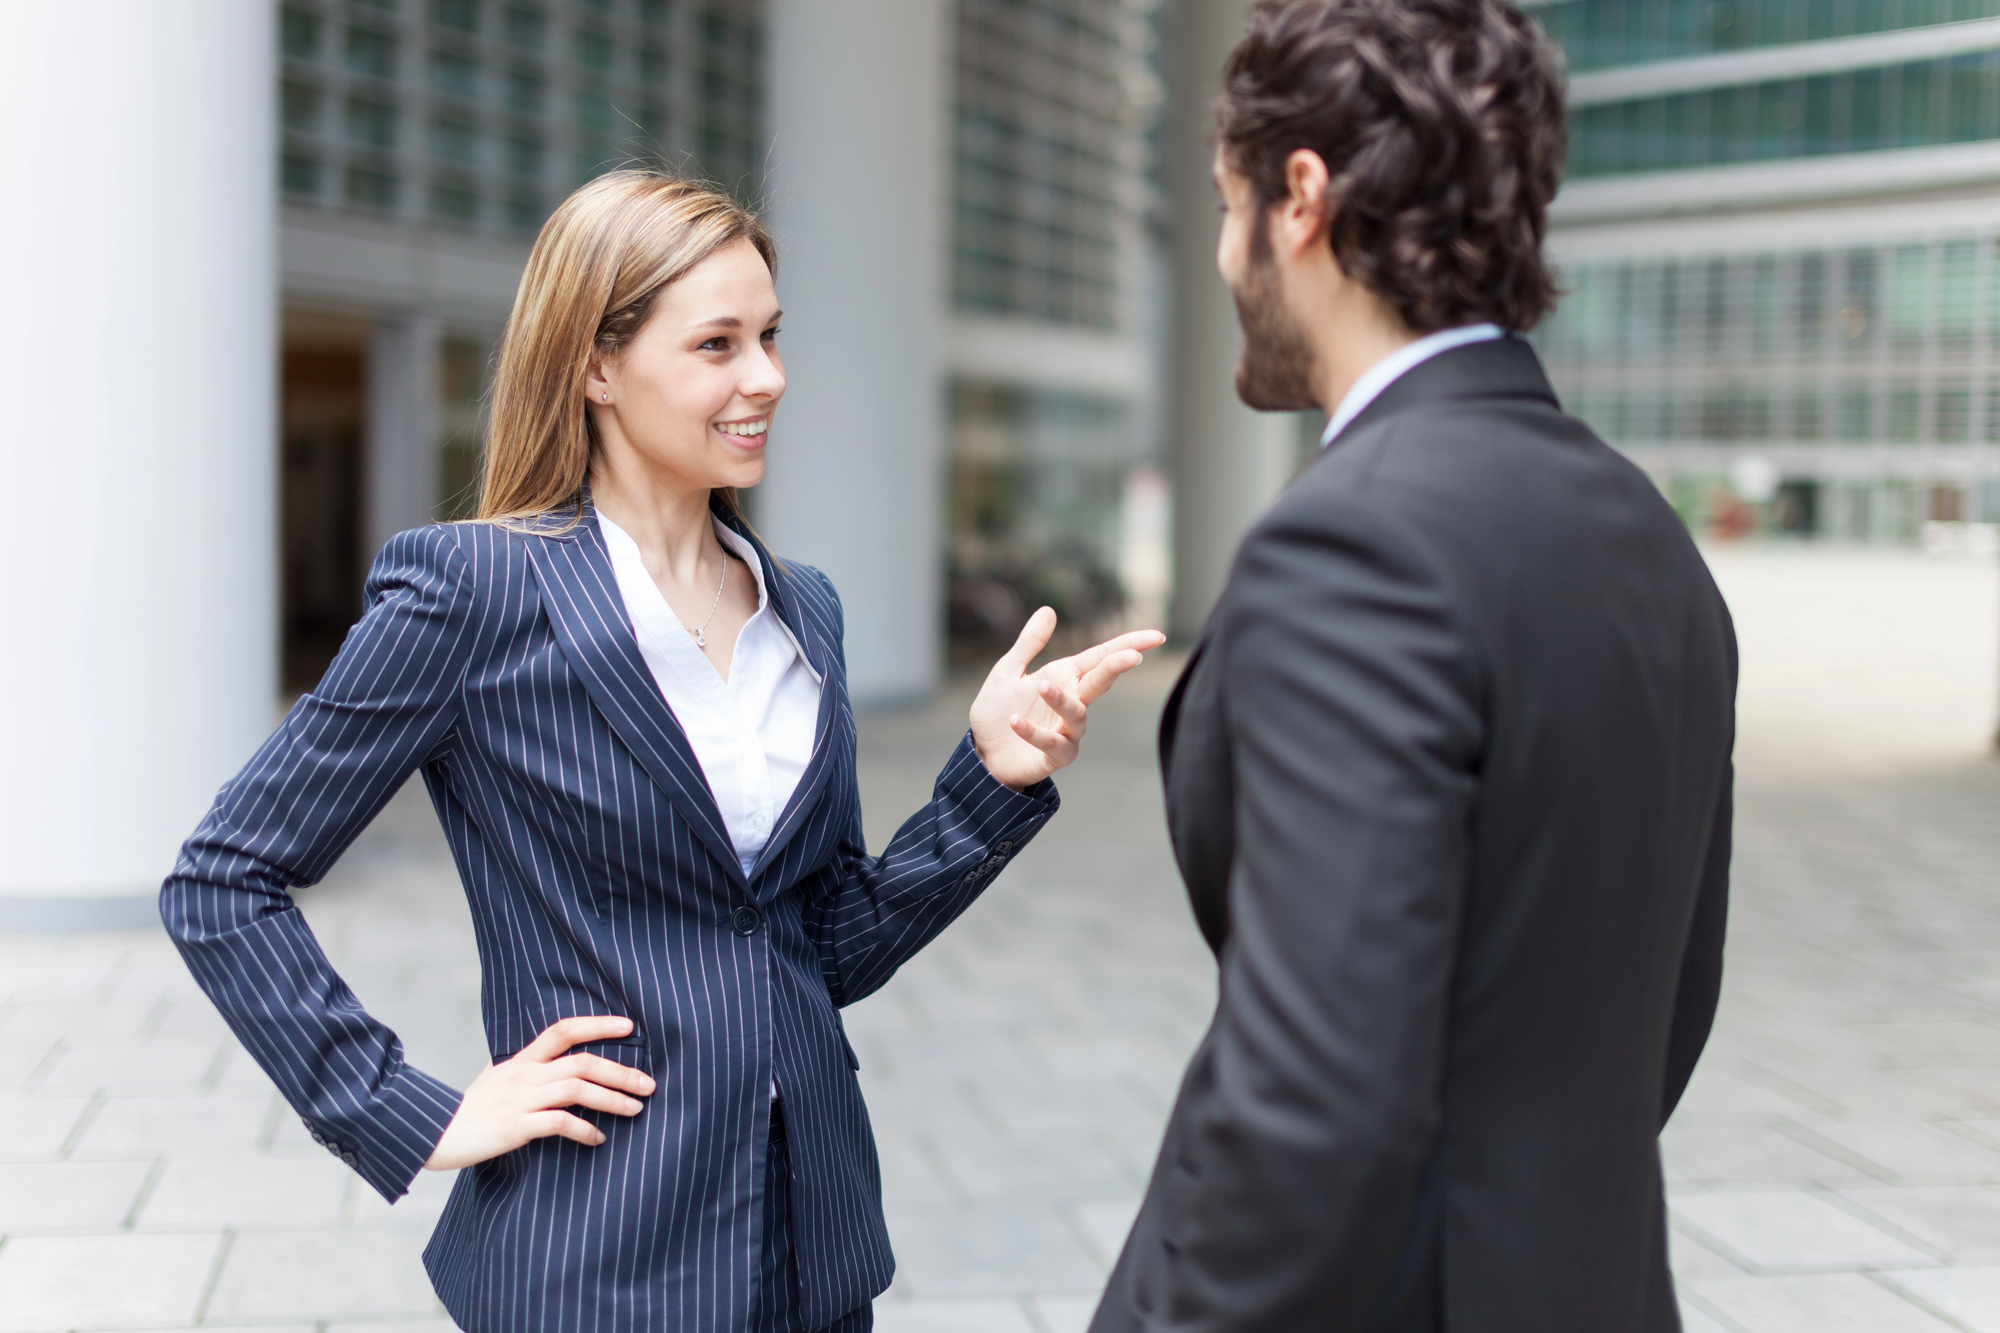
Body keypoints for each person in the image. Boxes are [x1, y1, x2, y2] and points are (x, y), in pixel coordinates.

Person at [161, 171, 1162, 1333]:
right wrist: (407, 1109)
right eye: (718, 345)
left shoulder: (806, 609)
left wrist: (988, 782)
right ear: (595, 364)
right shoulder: (471, 591)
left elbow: (821, 943)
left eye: (772, 336)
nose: (767, 377)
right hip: (598, 1259)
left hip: (811, 1254)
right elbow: (223, 878)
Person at [1089, 3, 1735, 1330]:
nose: (1223, 255)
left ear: (1301, 201)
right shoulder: (1648, 539)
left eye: (1226, 206)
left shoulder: (1353, 546)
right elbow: (1661, 1015)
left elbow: (1314, 1112)